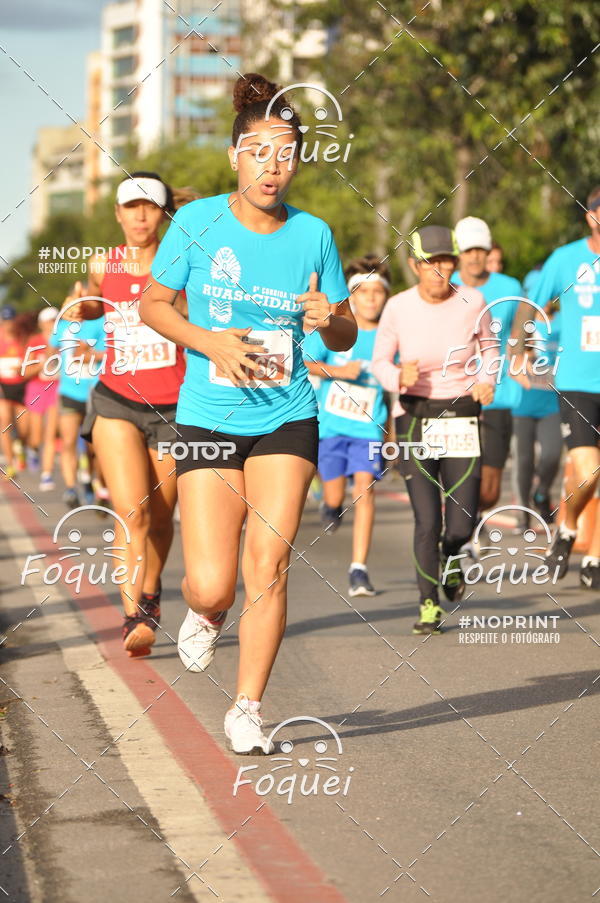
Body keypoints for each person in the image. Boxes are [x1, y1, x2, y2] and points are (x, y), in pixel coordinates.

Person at [140, 72, 356, 754]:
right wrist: (209, 342)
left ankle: (248, 706)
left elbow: (343, 330)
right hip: (208, 415)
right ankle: (207, 611)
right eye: (260, 150)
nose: (274, 165)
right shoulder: (198, 222)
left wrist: (333, 321)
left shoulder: (315, 234)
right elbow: (152, 305)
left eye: (287, 151)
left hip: (288, 416)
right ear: (235, 154)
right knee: (212, 582)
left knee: (269, 562)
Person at [62, 171, 186, 658]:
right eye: (131, 207)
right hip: (116, 398)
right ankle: (134, 612)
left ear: (163, 214)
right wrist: (81, 308)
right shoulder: (102, 262)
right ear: (117, 213)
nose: (139, 215)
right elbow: (99, 303)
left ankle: (151, 588)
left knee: (161, 515)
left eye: (150, 207)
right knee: (130, 509)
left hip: (174, 406)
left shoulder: (182, 265)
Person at [372, 226, 495, 635]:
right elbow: (379, 363)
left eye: (447, 261)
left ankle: (451, 557)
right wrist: (398, 376)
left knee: (461, 523)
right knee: (427, 520)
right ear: (414, 265)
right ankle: (428, 605)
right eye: (431, 262)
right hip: (416, 419)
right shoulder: (397, 307)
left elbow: (491, 350)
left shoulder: (473, 300)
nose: (440, 269)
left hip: (461, 414)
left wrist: (487, 379)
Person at [304, 254, 390, 596]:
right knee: (336, 492)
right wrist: (340, 372)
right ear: (351, 297)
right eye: (362, 291)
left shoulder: (390, 333)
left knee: (365, 491)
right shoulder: (338, 329)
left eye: (377, 291)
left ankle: (359, 569)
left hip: (369, 428)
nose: (370, 298)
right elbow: (306, 361)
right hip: (333, 426)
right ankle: (329, 503)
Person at [527, 185, 600, 585]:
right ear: (589, 215)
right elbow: (532, 303)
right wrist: (520, 345)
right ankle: (568, 528)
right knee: (588, 472)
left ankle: (594, 558)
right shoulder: (566, 259)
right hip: (578, 382)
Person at [452, 216, 523, 512]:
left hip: (499, 394)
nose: (475, 256)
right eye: (469, 251)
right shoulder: (446, 286)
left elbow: (520, 333)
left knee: (490, 490)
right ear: (459, 254)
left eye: (481, 249)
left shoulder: (511, 287)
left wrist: (524, 355)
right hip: (454, 392)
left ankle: (467, 522)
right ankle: (460, 533)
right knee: (458, 475)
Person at [47, 305, 106, 507]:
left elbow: (107, 353)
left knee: (94, 446)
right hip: (69, 391)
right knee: (69, 440)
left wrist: (88, 354)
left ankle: (93, 482)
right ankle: (71, 489)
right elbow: (51, 350)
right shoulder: (61, 326)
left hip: (94, 391)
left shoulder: (100, 323)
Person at [511, 308, 562, 526]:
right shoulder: (524, 322)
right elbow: (511, 354)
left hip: (552, 404)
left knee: (552, 454)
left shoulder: (562, 321)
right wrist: (523, 355)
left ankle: (541, 492)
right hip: (522, 405)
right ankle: (523, 514)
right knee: (523, 462)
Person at [23, 306, 60, 490]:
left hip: (56, 388)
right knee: (36, 434)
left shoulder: (64, 340)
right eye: (49, 321)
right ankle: (32, 449)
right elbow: (25, 372)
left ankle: (46, 475)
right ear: (41, 324)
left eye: (55, 320)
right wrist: (41, 364)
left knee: (50, 433)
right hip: (36, 388)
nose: (52, 324)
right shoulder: (34, 341)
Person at [0, 305, 31, 479]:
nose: (8, 325)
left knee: (25, 428)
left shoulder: (23, 339)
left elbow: (31, 360)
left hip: (21, 387)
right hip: (3, 387)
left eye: (11, 321)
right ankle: (10, 465)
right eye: (5, 321)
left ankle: (21, 447)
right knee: (4, 423)